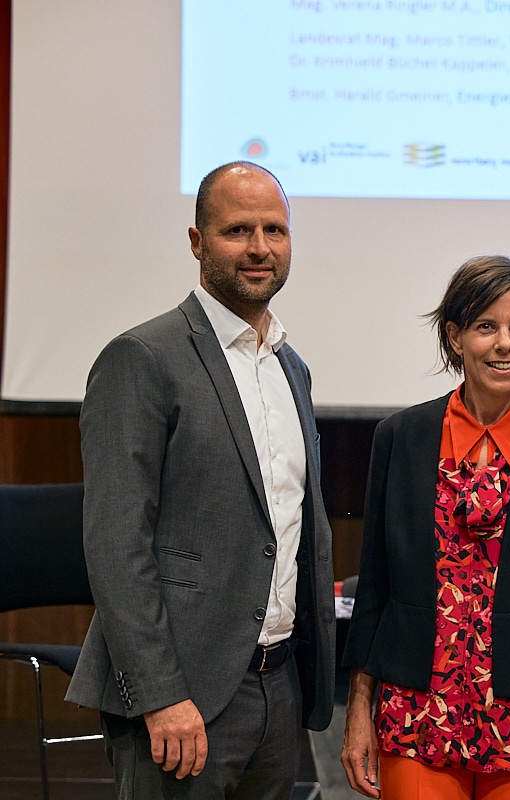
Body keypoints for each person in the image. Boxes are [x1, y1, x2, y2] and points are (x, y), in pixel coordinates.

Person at [66, 161, 336, 799]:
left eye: (275, 230)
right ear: (197, 242)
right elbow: (116, 544)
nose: (259, 248)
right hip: (183, 696)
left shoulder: (291, 368)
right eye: (237, 230)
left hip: (278, 686)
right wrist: (161, 695)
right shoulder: (142, 357)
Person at [340, 255, 510, 800]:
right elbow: (376, 589)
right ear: (455, 336)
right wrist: (358, 710)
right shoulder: (401, 436)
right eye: (486, 326)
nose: (505, 344)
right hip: (414, 713)